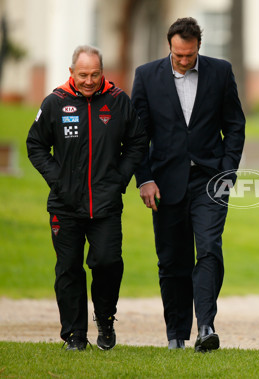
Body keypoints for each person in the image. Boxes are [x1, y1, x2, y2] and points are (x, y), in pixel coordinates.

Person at [132, 17, 245, 352]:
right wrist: (145, 178)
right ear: (170, 46)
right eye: (179, 55)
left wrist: (227, 173)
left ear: (198, 46)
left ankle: (206, 326)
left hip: (210, 180)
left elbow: (235, 125)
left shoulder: (220, 72)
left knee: (209, 248)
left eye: (190, 55)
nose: (184, 61)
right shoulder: (147, 76)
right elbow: (138, 136)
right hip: (165, 183)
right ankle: (176, 335)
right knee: (172, 260)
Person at [26, 45, 147, 351]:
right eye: (83, 75)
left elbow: (137, 142)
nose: (89, 80)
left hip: (105, 204)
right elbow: (35, 145)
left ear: (102, 72)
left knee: (108, 262)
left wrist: (119, 179)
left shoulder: (119, 101)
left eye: (94, 74)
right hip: (65, 206)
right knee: (68, 269)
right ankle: (75, 336)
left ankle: (105, 319)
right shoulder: (55, 102)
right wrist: (58, 180)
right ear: (71, 73)